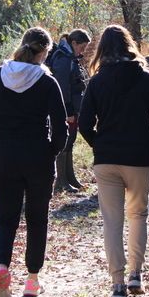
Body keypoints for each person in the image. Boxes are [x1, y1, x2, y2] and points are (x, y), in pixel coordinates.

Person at [78, 25, 149, 297]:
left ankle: (117, 284)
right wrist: (146, 143)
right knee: (138, 216)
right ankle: (136, 276)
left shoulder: (97, 81)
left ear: (103, 49)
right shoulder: (146, 78)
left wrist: (99, 144)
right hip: (138, 158)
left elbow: (84, 123)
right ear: (130, 45)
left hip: (106, 159)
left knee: (112, 222)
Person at [0, 27, 68, 297]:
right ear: (45, 52)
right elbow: (60, 126)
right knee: (37, 218)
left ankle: (2, 267)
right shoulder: (47, 81)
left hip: (5, 157)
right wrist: (51, 151)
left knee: (6, 219)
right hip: (38, 157)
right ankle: (31, 279)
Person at [49, 29, 91, 193]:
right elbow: (62, 87)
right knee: (65, 142)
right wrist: (68, 112)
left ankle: (70, 177)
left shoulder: (70, 58)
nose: (84, 50)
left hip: (72, 107)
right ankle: (60, 181)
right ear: (74, 43)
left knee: (71, 140)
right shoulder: (63, 59)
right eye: (82, 46)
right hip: (67, 109)